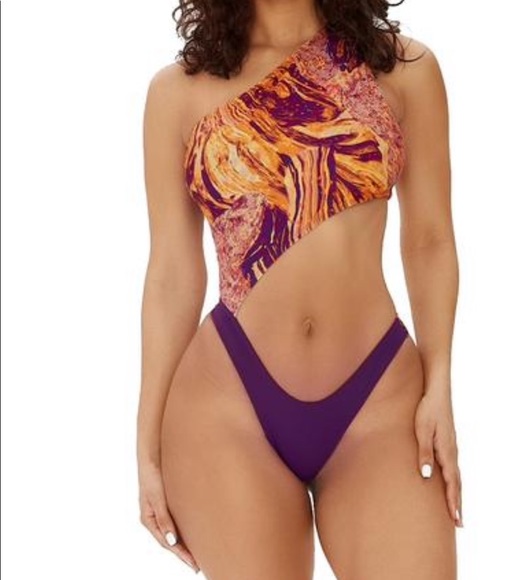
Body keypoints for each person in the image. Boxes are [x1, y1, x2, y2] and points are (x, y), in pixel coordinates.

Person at [137, 0, 462, 577]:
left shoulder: (402, 70)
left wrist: (440, 385)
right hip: (229, 406)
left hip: (379, 403)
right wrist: (147, 448)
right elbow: (171, 275)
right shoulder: (178, 93)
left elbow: (430, 240)